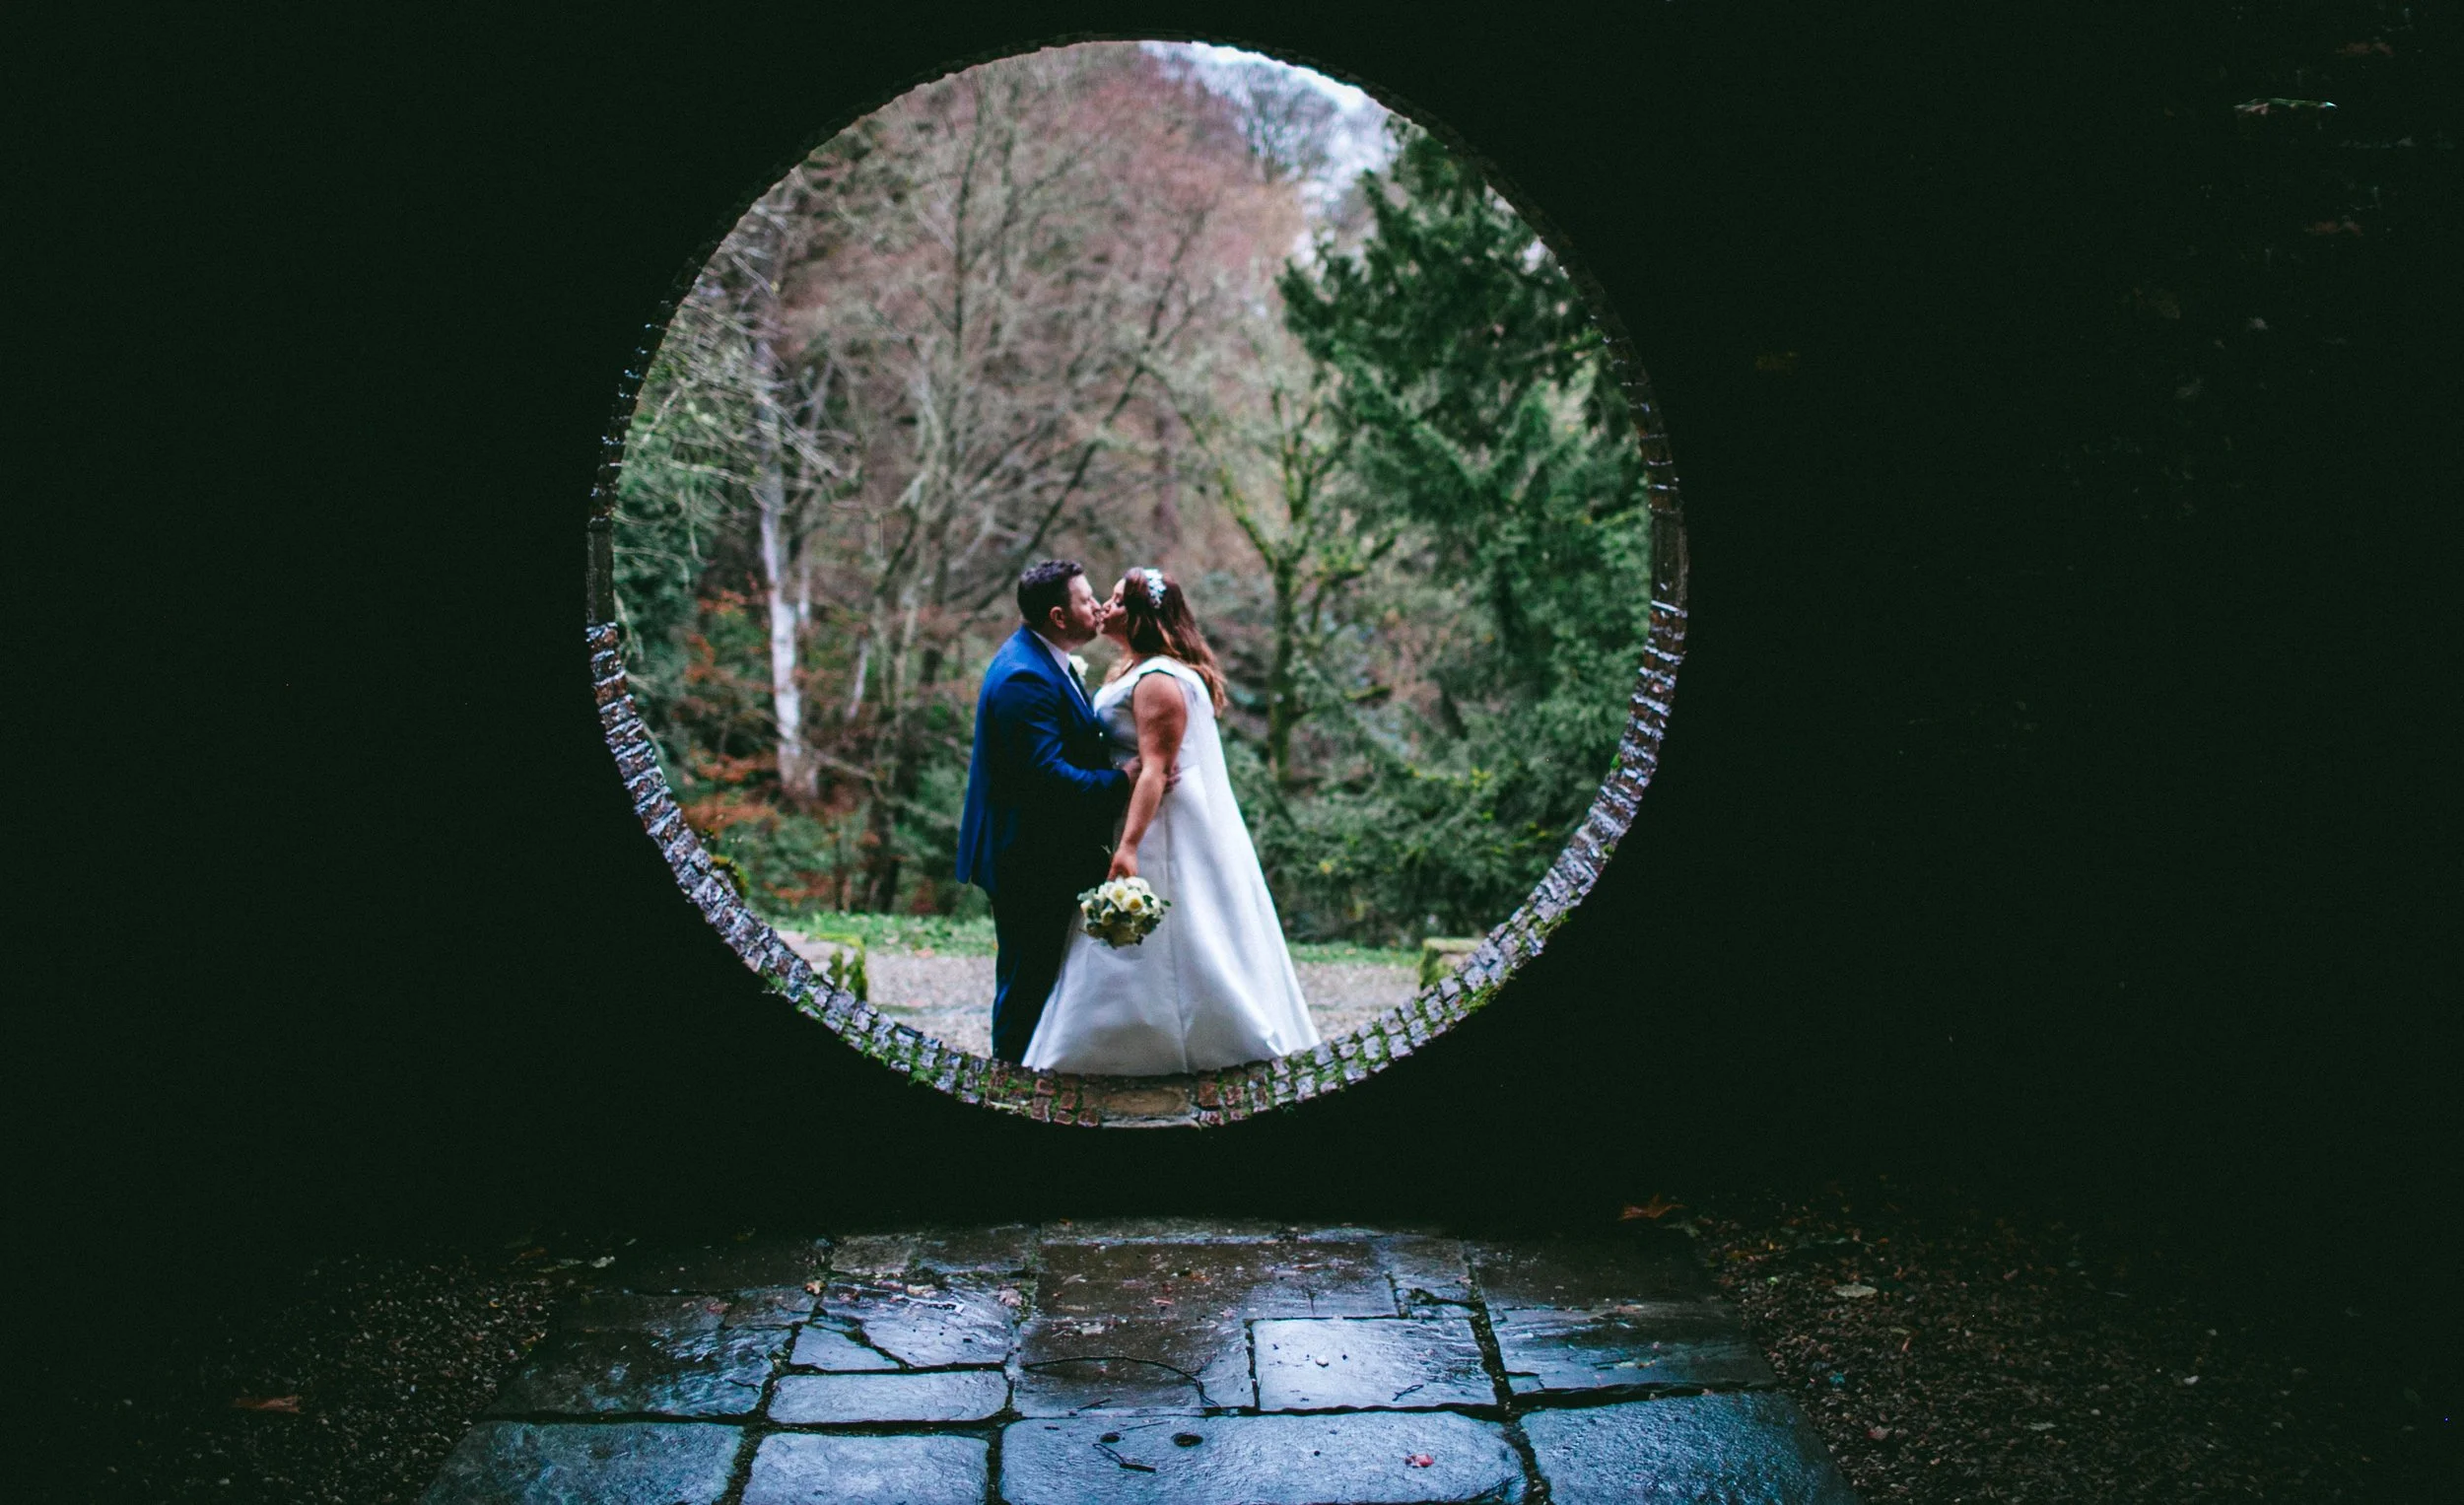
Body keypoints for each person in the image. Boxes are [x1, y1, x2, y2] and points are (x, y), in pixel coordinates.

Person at [1022, 568, 1322, 1074]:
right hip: (1136, 810)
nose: (1104, 608)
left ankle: (1191, 1035)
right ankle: (1126, 1034)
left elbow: (1157, 769)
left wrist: (1130, 845)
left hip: (1159, 824)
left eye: (1115, 601)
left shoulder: (1159, 680)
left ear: (1140, 617)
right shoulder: (1134, 671)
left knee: (1176, 924)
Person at [956, 560, 1141, 1062]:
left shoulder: (1042, 659)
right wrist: (1119, 782)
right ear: (1059, 616)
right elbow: (1047, 779)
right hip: (1027, 858)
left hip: (1038, 851)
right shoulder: (1024, 678)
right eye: (1086, 600)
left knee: (1035, 970)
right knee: (1027, 976)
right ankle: (1009, 1079)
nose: (1098, 605)